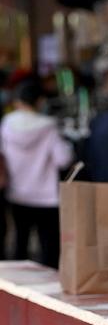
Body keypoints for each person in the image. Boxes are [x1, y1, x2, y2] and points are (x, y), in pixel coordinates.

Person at [0, 76, 74, 268]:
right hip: (46, 196)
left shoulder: (6, 124)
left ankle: (17, 287)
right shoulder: (49, 126)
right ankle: (49, 289)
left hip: (16, 193)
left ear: (18, 100)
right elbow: (63, 159)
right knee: (49, 248)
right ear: (40, 101)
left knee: (20, 243)